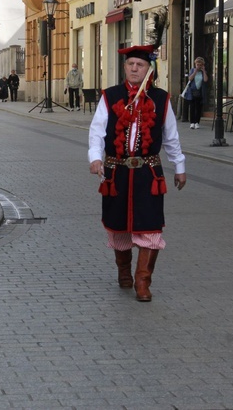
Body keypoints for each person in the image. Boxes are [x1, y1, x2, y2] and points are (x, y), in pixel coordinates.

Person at [88, 44, 186, 302]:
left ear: (148, 70)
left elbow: (171, 137)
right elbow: (97, 131)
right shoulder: (110, 96)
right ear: (124, 67)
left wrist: (180, 166)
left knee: (150, 227)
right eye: (130, 64)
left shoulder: (161, 99)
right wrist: (95, 158)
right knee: (118, 225)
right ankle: (124, 272)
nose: (134, 68)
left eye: (139, 65)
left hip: (148, 173)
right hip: (116, 172)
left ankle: (143, 281)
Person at [186, 57, 209, 129]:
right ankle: (192, 122)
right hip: (192, 91)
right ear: (195, 64)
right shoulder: (192, 70)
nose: (198, 66)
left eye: (200, 65)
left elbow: (205, 80)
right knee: (192, 107)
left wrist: (204, 71)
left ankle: (197, 122)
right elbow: (190, 78)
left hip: (200, 92)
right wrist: (195, 71)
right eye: (197, 64)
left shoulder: (203, 72)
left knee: (198, 108)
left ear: (202, 65)